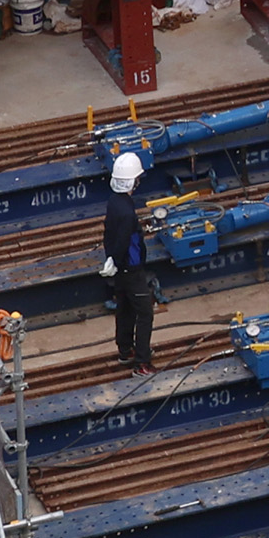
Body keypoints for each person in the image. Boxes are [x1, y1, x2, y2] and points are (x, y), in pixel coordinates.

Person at [96, 146, 159, 372]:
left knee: (125, 308)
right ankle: (142, 362)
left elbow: (109, 234)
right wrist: (116, 258)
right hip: (131, 270)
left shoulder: (115, 202)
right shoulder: (126, 211)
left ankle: (125, 350)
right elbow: (123, 241)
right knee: (145, 313)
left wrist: (110, 258)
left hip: (121, 271)